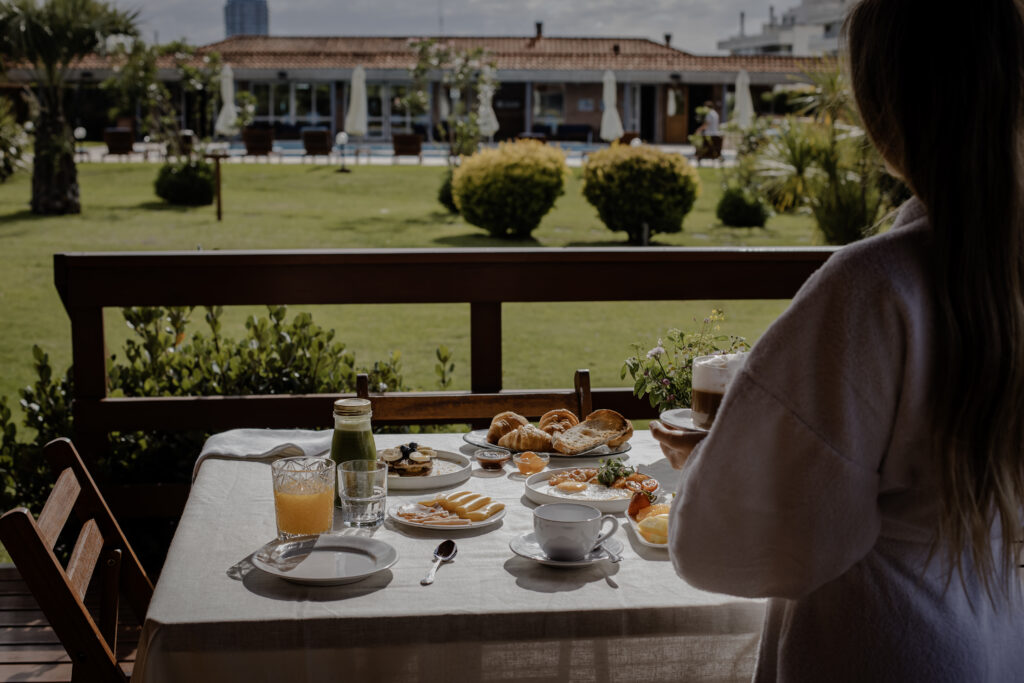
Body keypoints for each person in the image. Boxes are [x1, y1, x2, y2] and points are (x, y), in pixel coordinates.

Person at [652, 1, 1024, 681]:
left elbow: (730, 546)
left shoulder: (875, 290)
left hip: (884, 647)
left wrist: (719, 462)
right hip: (998, 638)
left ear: (885, 109)